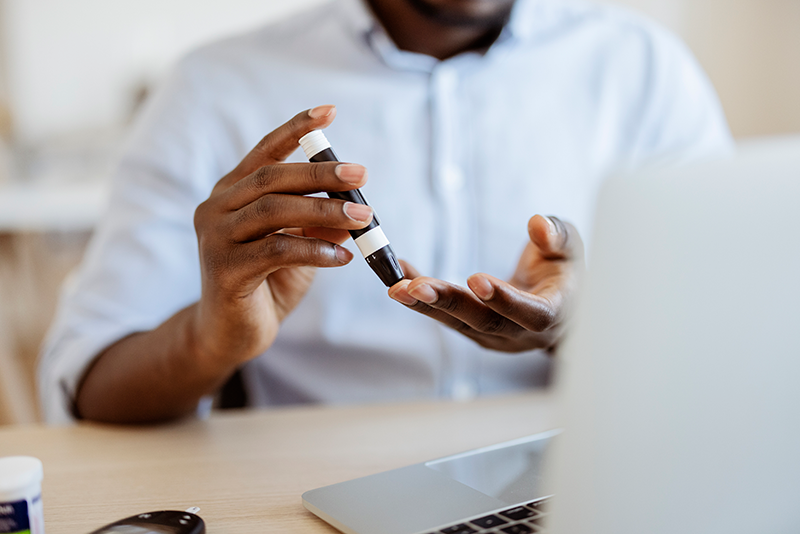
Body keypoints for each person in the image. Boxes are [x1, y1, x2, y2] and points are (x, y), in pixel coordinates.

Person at [38, 0, 732, 424]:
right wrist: (211, 339)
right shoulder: (217, 86)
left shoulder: (642, 68)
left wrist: (593, 322)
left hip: (574, 481)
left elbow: (735, 342)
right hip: (315, 491)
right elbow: (89, 382)